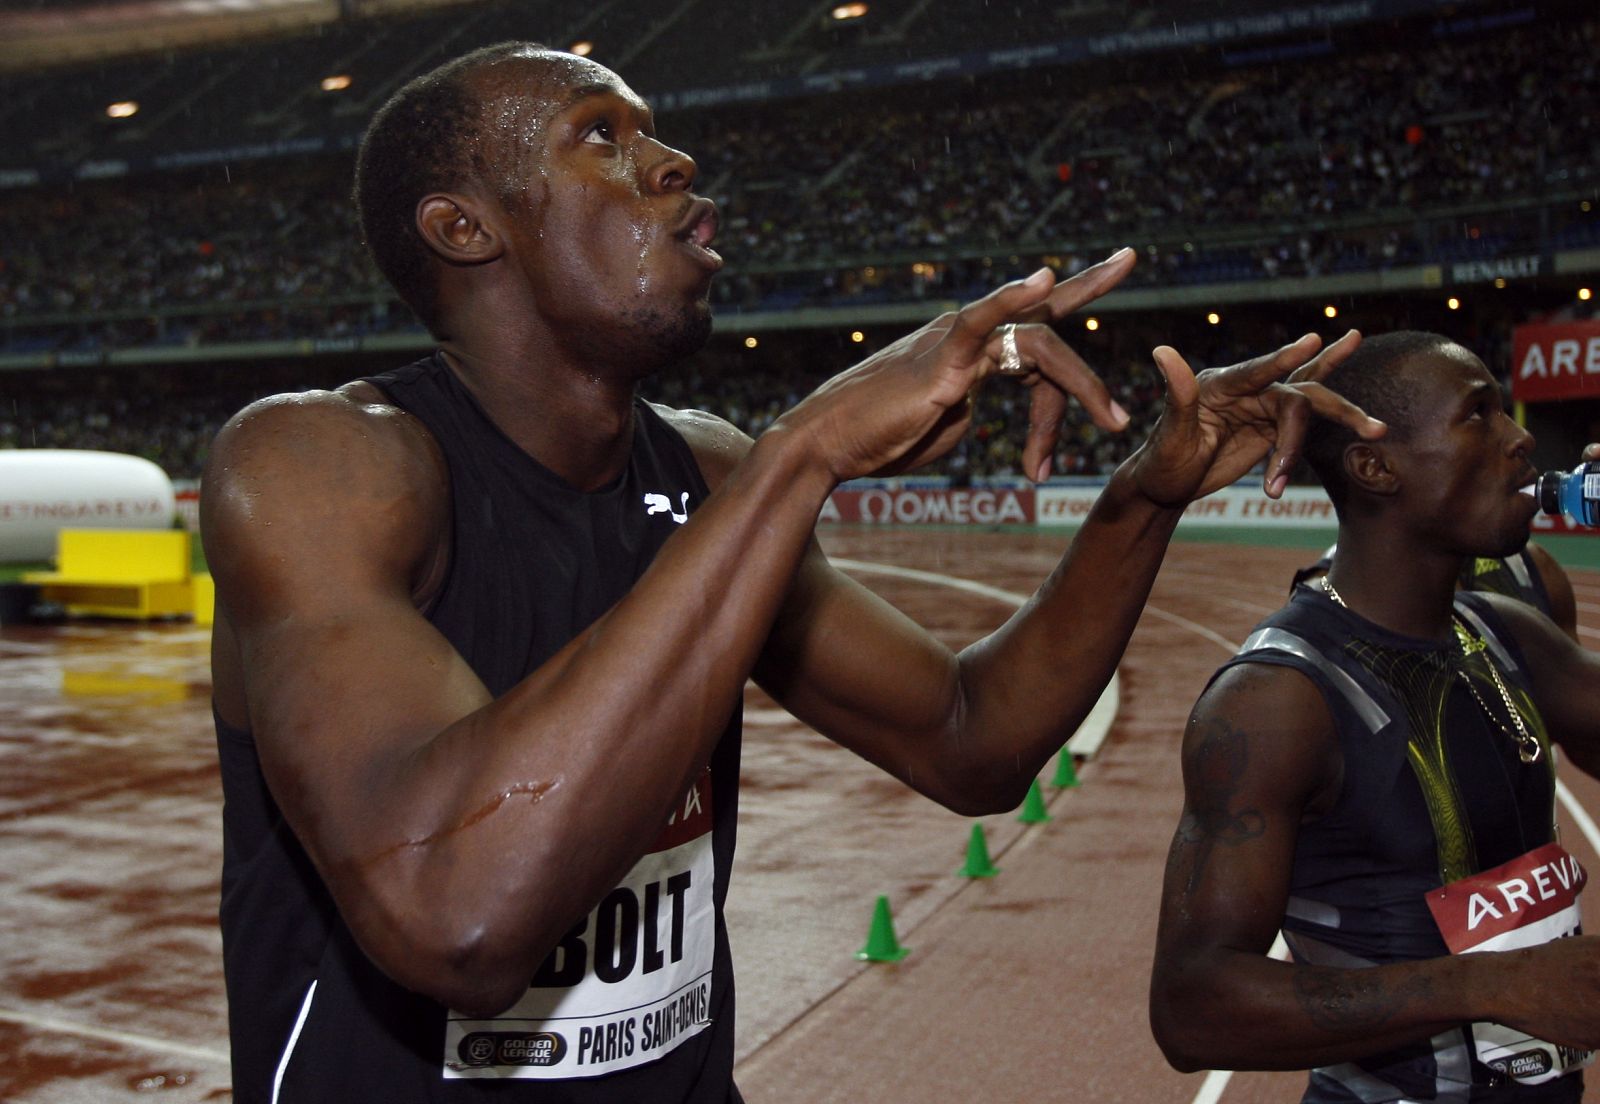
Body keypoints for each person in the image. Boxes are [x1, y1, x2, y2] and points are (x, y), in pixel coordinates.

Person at [202, 42, 1381, 1103]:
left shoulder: (708, 473)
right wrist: (806, 451)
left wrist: (1142, 496)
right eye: (599, 136)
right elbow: (455, 917)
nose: (670, 161)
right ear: (467, 228)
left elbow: (973, 741)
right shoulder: (320, 464)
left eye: (652, 128)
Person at [1149, 331, 1600, 1102]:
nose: (1522, 440)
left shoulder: (1507, 631)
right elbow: (1191, 1009)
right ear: (1374, 466)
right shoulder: (1277, 699)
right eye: (1479, 415)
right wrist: (1490, 986)